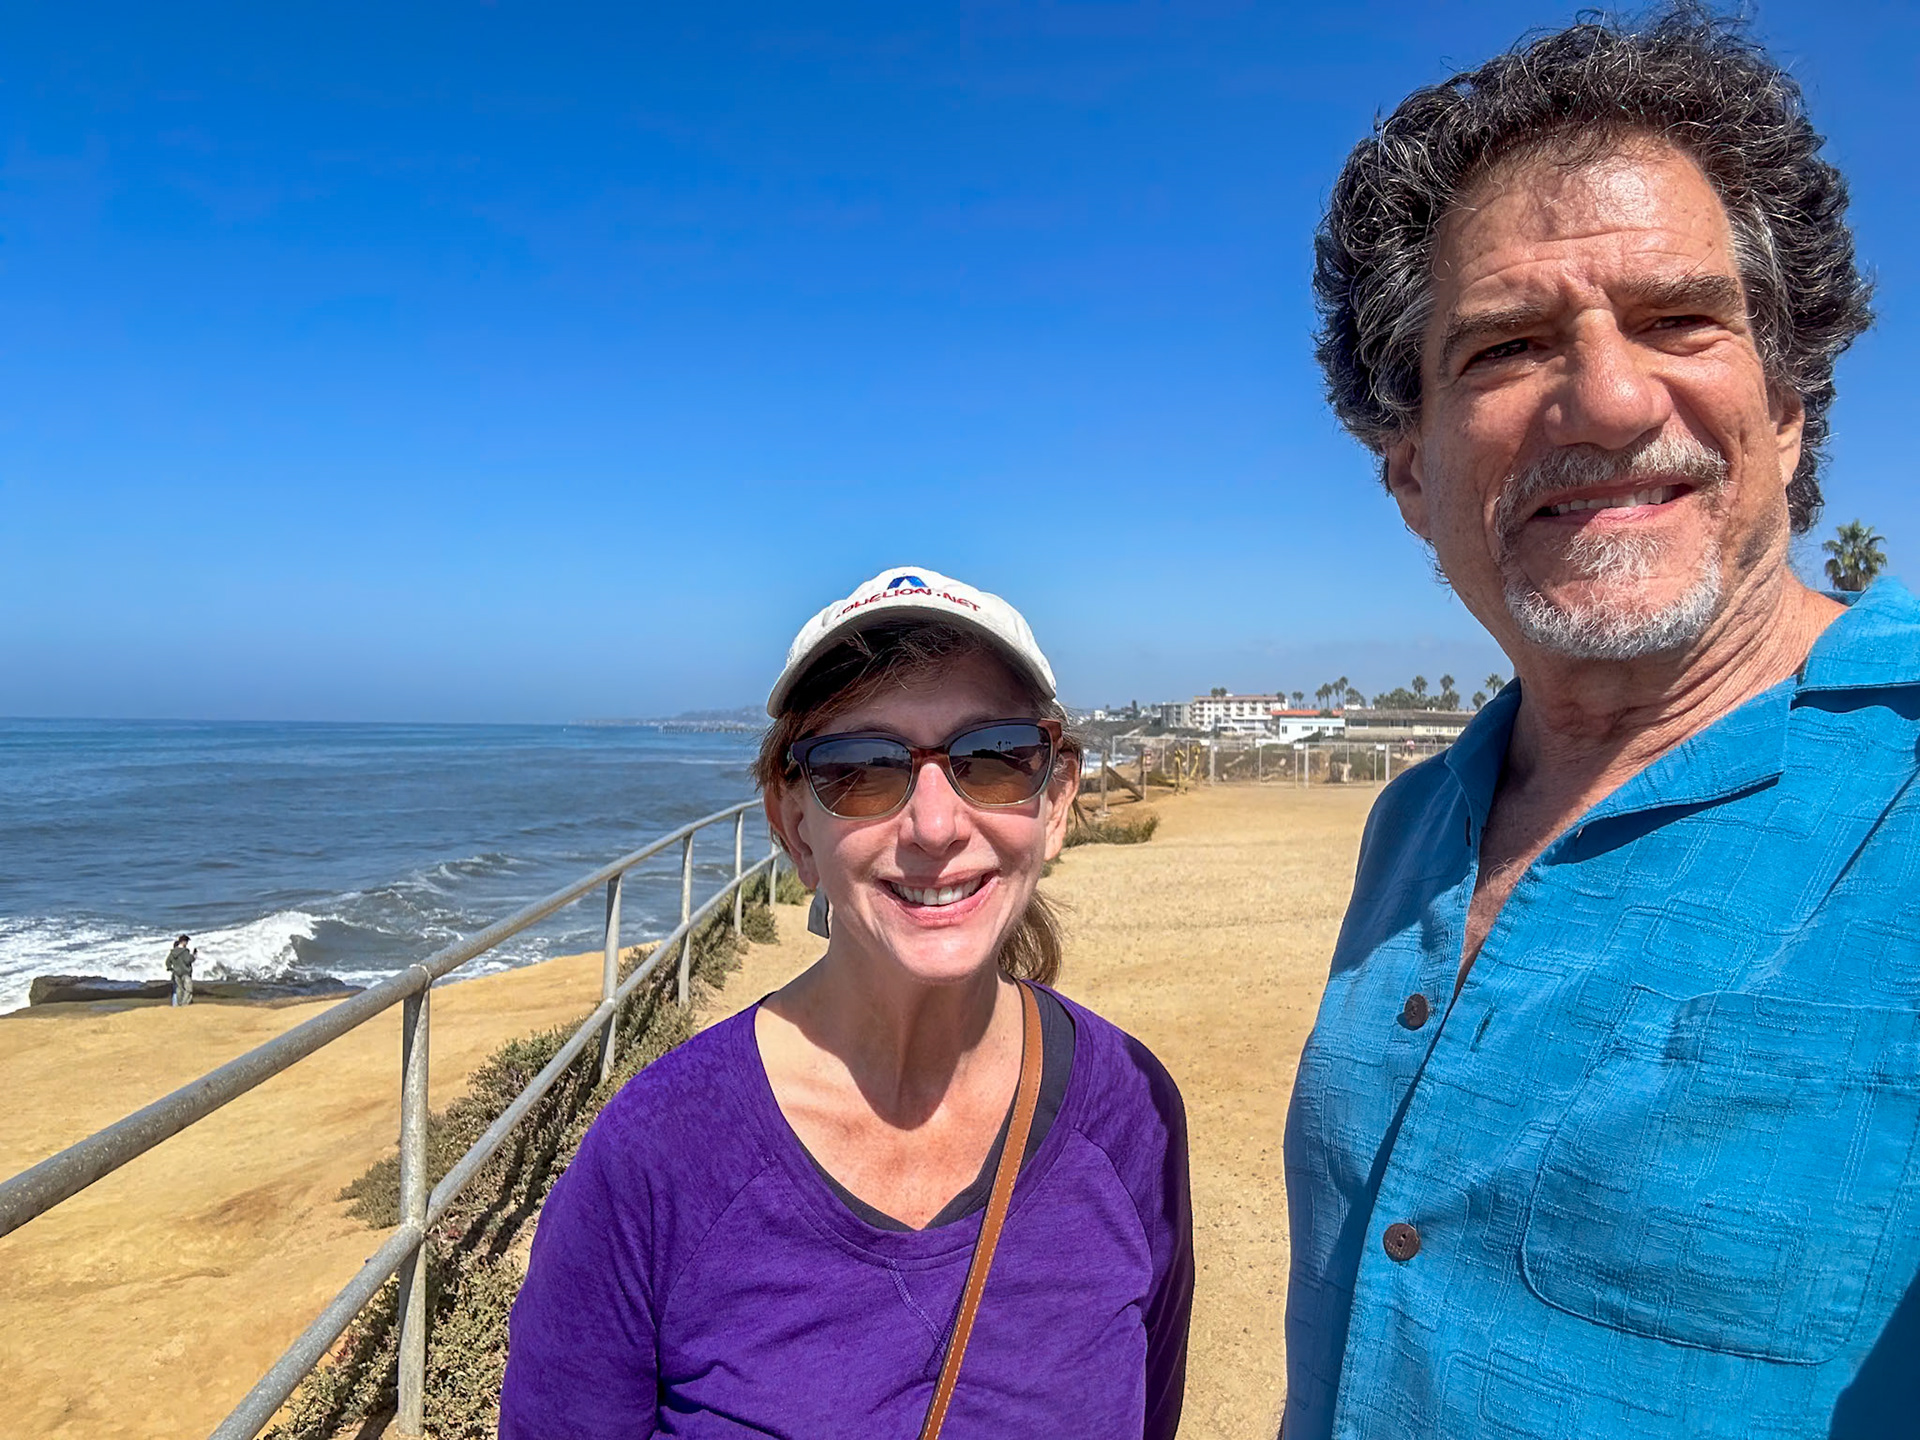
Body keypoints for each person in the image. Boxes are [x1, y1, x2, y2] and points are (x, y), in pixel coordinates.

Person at [1283, 8, 1913, 1438]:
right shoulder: (1413, 828)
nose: (1612, 397)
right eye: (1506, 348)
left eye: (1680, 319)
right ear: (1410, 477)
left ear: (1792, 406)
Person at [502, 566, 1193, 1438]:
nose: (936, 827)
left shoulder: (1130, 1110)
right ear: (794, 826)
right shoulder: (655, 1160)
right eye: (862, 770)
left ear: (1055, 801)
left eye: (991, 759)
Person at [164, 934, 196, 1007]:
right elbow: (188, 960)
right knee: (188, 989)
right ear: (183, 942)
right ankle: (184, 1004)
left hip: (176, 973)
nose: (187, 943)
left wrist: (171, 969)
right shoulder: (185, 951)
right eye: (187, 941)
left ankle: (179, 1004)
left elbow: (167, 962)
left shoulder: (173, 952)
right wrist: (193, 956)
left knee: (179, 989)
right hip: (186, 972)